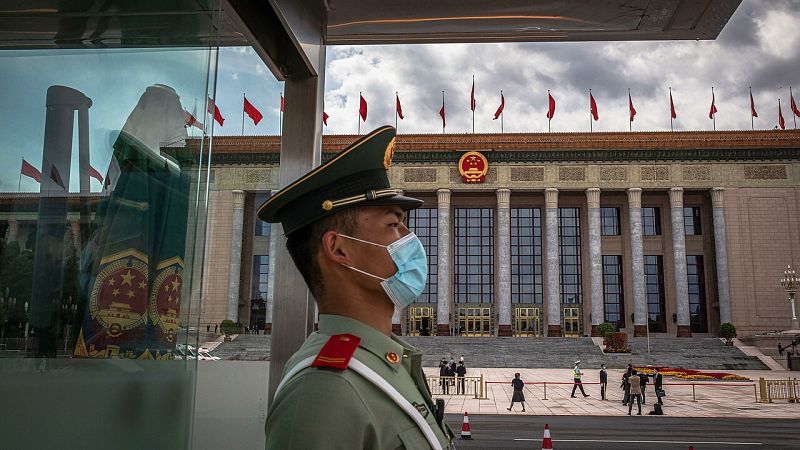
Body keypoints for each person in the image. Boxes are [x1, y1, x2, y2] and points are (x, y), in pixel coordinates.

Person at [262, 126, 454, 449]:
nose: (409, 239)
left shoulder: (385, 362)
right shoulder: (321, 394)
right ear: (339, 249)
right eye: (393, 224)